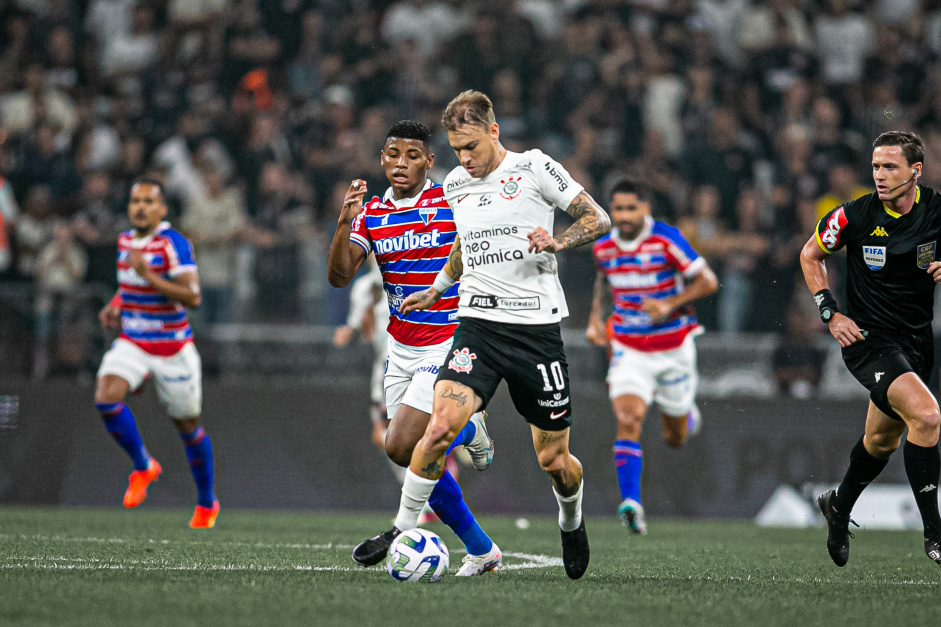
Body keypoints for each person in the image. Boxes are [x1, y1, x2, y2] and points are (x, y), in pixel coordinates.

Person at [354, 91, 611, 580]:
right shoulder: (454, 183)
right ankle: (401, 530)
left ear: (494, 131)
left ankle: (571, 518)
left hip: (536, 333)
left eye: (471, 146)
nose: (465, 159)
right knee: (437, 429)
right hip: (477, 329)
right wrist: (435, 291)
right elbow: (463, 246)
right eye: (456, 150)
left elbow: (596, 218)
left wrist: (557, 241)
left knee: (554, 459)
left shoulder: (534, 167)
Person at [328, 120, 501, 576]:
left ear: (428, 160)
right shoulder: (372, 214)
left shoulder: (449, 199)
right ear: (382, 158)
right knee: (408, 453)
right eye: (392, 154)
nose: (400, 163)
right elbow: (340, 275)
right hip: (399, 349)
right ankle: (483, 550)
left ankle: (458, 438)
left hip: (446, 340)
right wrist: (345, 221)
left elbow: (486, 235)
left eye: (411, 155)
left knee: (405, 441)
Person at [799, 131, 941, 570]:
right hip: (869, 342)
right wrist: (830, 313)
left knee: (882, 439)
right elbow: (810, 254)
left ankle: (838, 506)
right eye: (876, 167)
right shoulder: (855, 216)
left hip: (917, 341)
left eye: (890, 167)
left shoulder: (936, 210)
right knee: (928, 416)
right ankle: (935, 534)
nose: (879, 176)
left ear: (915, 171)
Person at [586, 179, 717, 534]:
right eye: (618, 209)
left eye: (631, 208)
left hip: (673, 348)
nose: (624, 216)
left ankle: (686, 416)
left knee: (674, 437)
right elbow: (603, 280)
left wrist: (669, 304)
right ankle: (632, 503)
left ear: (646, 209)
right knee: (628, 419)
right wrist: (597, 318)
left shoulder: (667, 239)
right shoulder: (604, 247)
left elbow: (707, 281)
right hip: (629, 348)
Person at [95, 177, 218, 529]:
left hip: (172, 348)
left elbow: (192, 297)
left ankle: (207, 502)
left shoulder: (173, 243)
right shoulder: (124, 241)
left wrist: (148, 274)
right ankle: (143, 466)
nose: (141, 207)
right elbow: (129, 286)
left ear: (162, 209)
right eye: (136, 200)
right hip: (133, 340)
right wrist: (115, 305)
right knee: (106, 397)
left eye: (149, 201)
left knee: (188, 425)